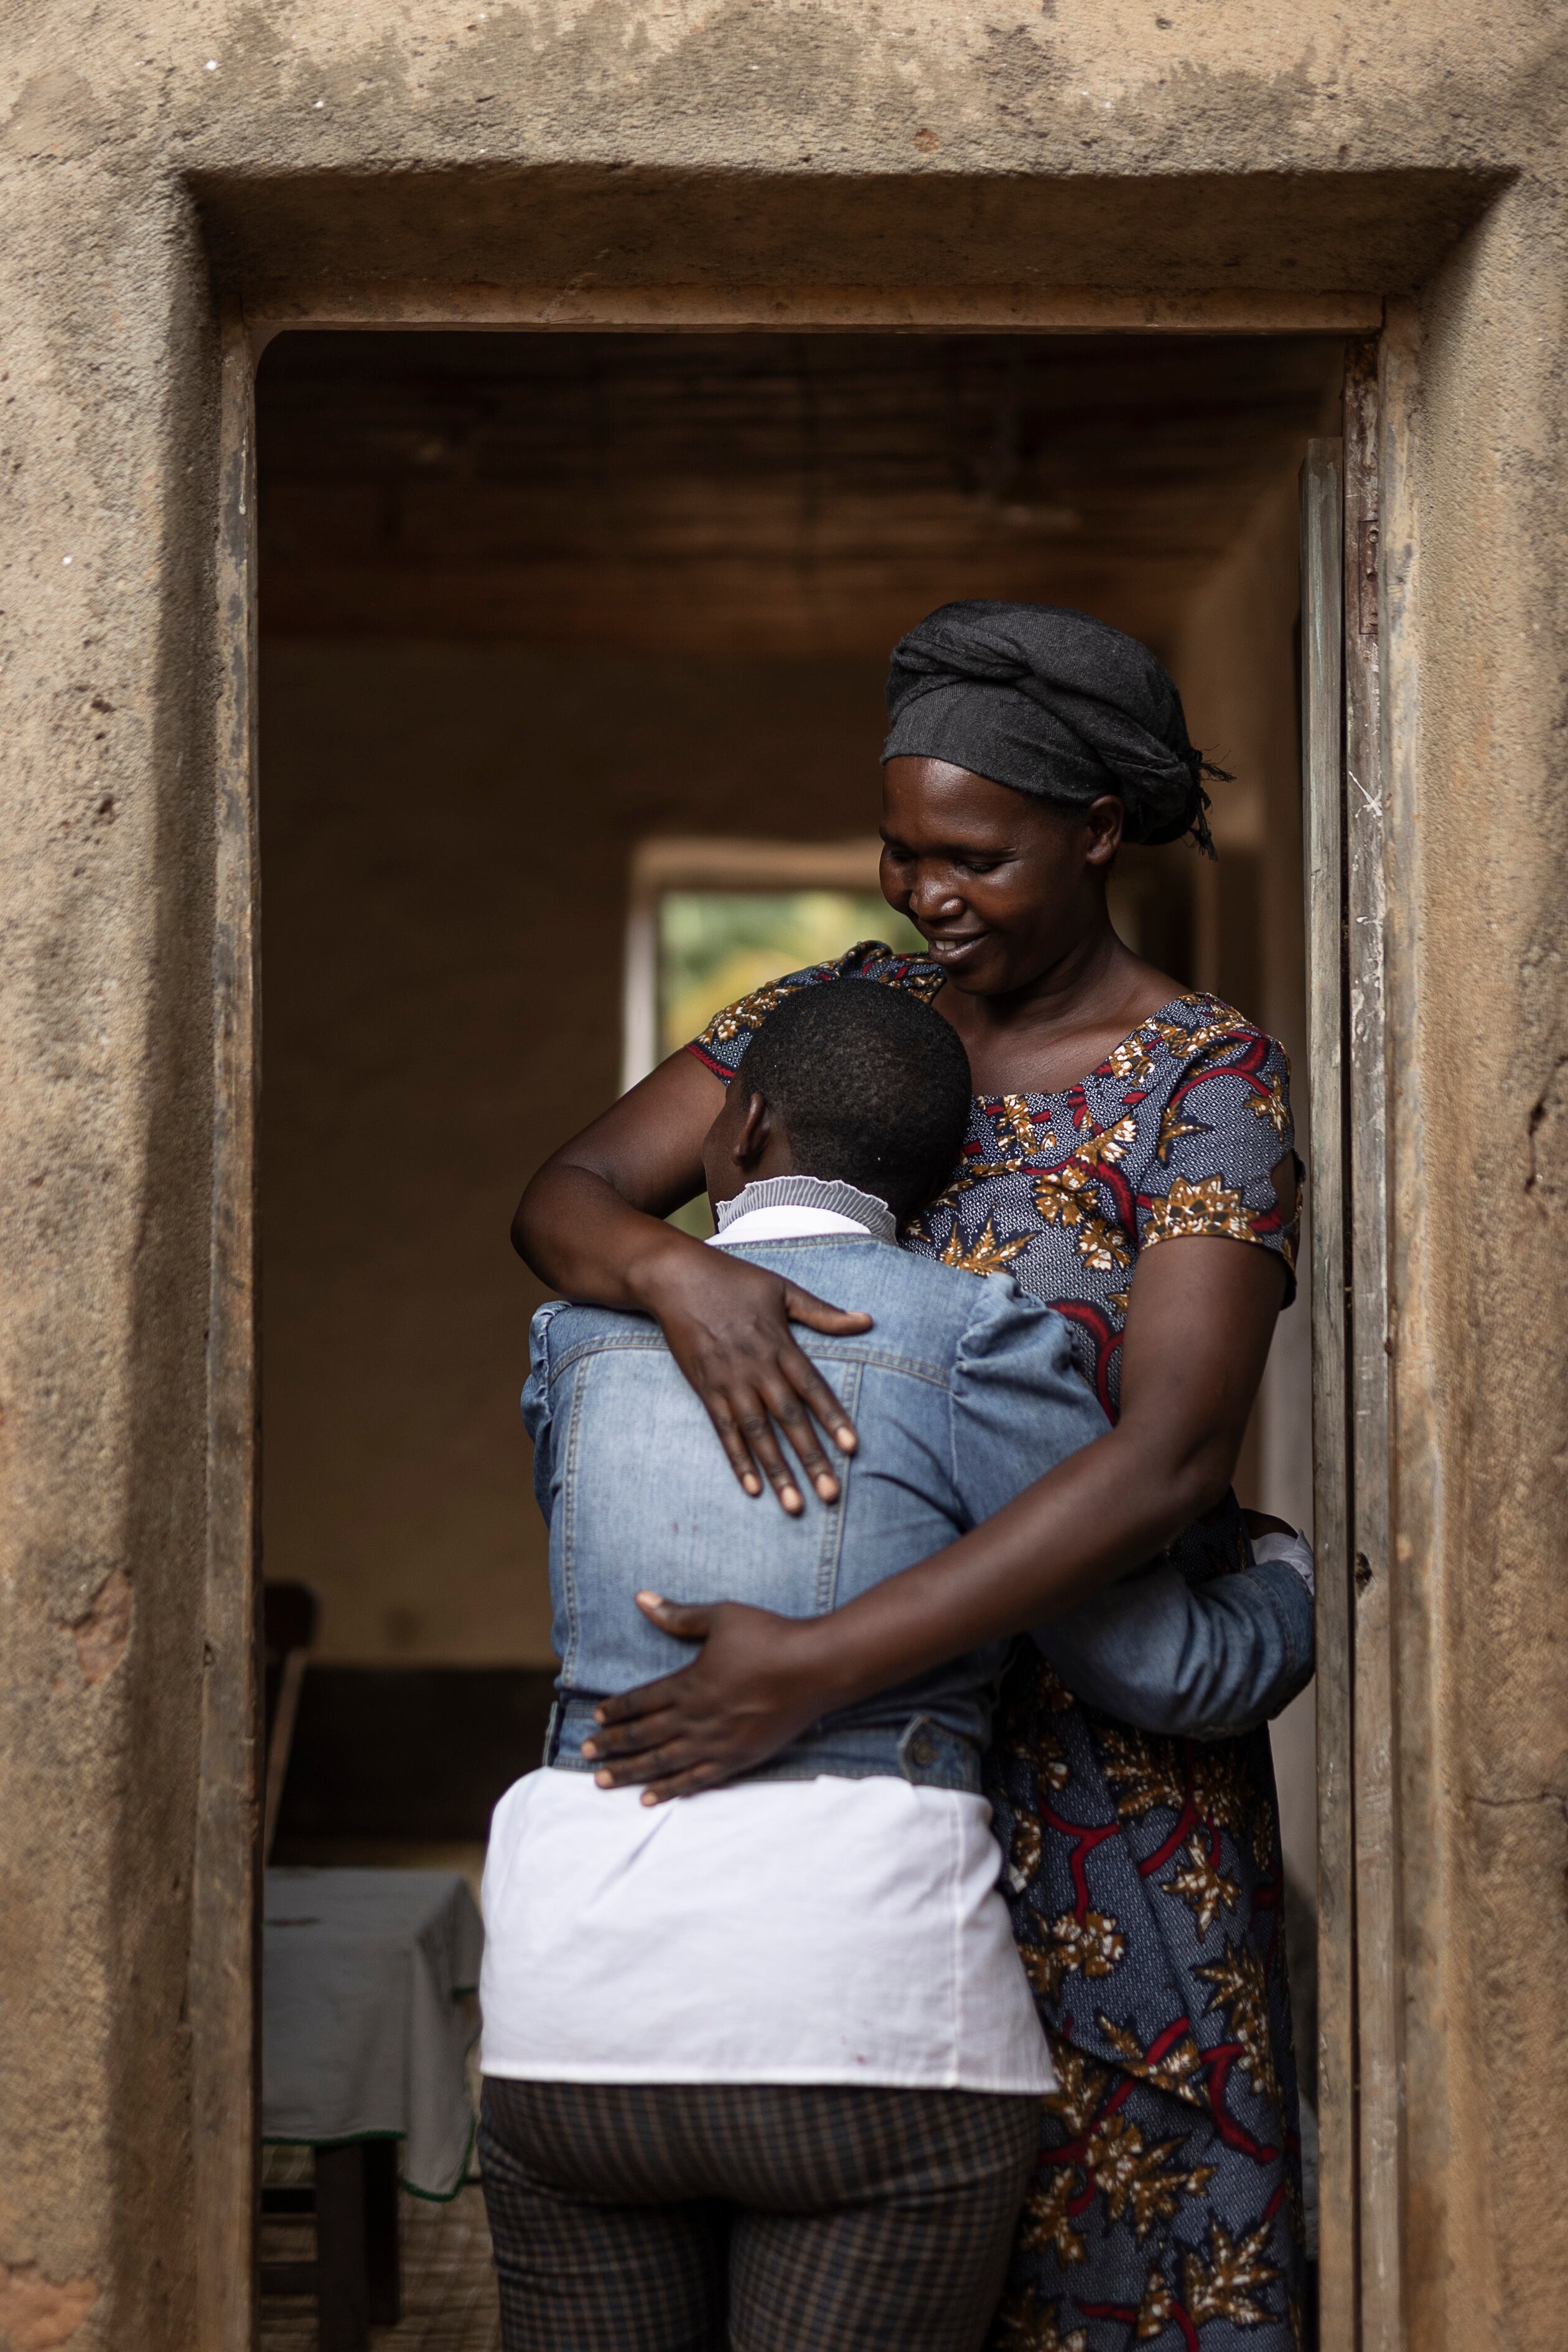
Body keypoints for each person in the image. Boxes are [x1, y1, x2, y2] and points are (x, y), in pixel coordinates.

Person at [513, 601, 1310, 2348]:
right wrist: (680, 1270)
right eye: (899, 847)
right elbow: (566, 1198)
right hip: (834, 1814)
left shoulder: (1202, 1084)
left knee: (1129, 2268)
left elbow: (1167, 1458)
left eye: (975, 854)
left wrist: (810, 1662)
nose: (922, 892)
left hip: (1098, 1779)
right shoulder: (839, 1019)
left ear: (1097, 832)